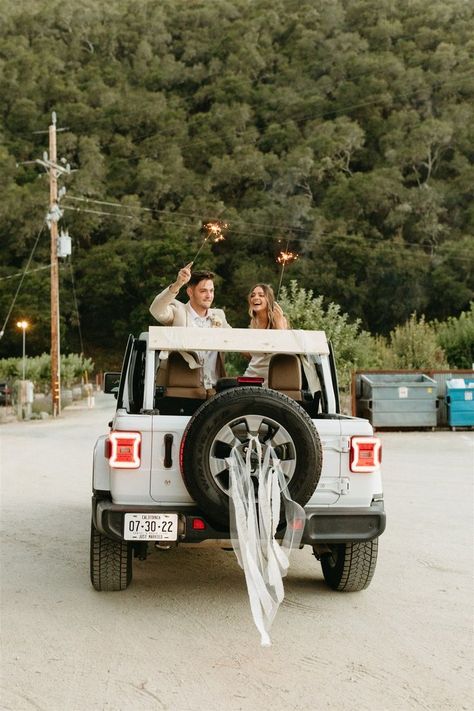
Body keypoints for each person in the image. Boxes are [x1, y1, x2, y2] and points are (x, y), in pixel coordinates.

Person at [149, 263, 231, 387]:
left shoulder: (219, 315)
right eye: (203, 291)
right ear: (190, 292)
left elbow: (238, 339)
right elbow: (156, 310)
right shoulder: (178, 311)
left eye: (211, 291)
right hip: (180, 389)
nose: (209, 296)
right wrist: (178, 284)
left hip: (214, 390)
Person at [243, 283, 288, 383]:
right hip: (251, 374)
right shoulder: (253, 322)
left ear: (269, 300)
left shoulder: (278, 320)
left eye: (261, 295)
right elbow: (253, 355)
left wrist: (280, 324)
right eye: (253, 295)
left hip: (271, 378)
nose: (255, 297)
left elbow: (285, 349)